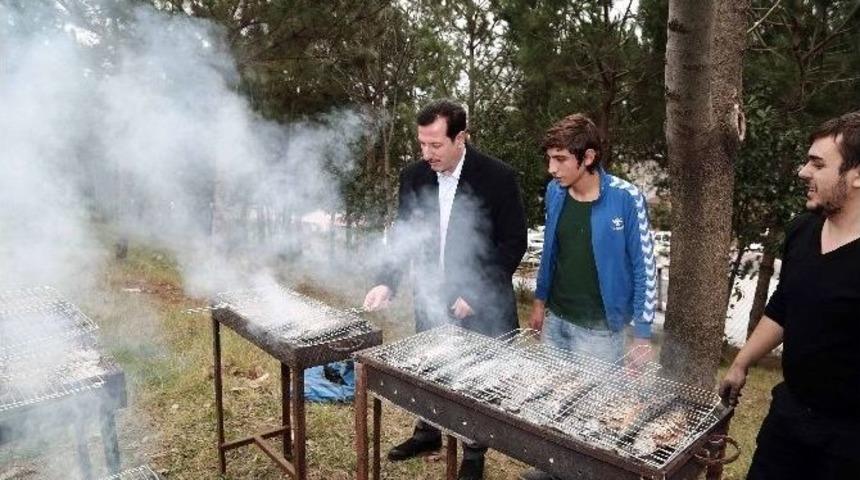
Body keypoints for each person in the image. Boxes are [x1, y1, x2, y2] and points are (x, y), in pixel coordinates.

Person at [363, 99, 527, 480]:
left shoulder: (498, 177)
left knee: (474, 378)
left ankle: (473, 452)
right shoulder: (414, 176)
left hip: (479, 302)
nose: (427, 154)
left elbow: (513, 242)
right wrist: (387, 281)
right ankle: (427, 432)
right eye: (422, 144)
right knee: (432, 366)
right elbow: (403, 235)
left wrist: (475, 290)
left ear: (460, 138)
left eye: (436, 145)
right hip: (430, 293)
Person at [720, 112, 860, 479]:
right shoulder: (803, 229)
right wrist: (741, 361)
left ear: (857, 175)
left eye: (817, 164)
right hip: (789, 418)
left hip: (849, 443)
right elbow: (784, 305)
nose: (803, 171)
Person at [520, 114, 656, 480]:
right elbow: (551, 249)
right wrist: (540, 300)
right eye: (549, 158)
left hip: (600, 330)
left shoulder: (626, 199)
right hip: (558, 319)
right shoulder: (555, 192)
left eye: (561, 159)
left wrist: (642, 333)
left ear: (589, 157)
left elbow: (645, 267)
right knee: (552, 401)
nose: (552, 169)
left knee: (594, 412)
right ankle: (550, 470)